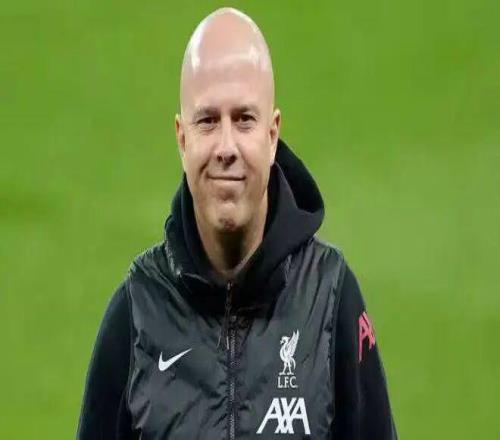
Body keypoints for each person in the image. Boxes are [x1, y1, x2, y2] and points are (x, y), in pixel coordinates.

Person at [77, 7, 397, 439]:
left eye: (244, 119)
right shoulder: (137, 313)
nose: (226, 146)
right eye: (208, 121)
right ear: (182, 139)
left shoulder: (330, 298)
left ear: (272, 135)